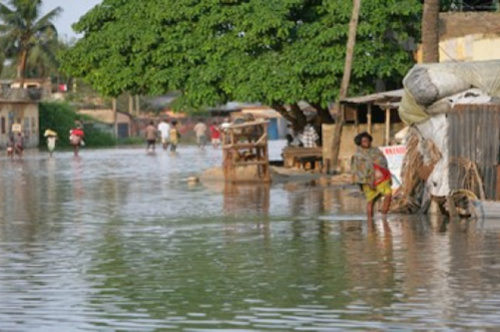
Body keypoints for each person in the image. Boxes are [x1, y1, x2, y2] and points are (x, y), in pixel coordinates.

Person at [351, 132, 392, 221]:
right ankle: (370, 221)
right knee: (371, 200)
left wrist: (387, 174)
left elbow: (384, 163)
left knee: (388, 194)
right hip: (368, 180)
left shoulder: (376, 151)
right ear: (360, 143)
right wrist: (367, 181)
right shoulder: (358, 156)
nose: (366, 143)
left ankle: (384, 216)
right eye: (364, 141)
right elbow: (358, 171)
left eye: (367, 140)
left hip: (382, 178)